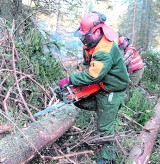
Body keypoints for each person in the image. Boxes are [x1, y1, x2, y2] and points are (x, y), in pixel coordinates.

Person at [58, 12, 129, 164]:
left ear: (97, 31)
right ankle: (104, 110)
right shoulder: (92, 42)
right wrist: (75, 89)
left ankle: (108, 158)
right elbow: (89, 66)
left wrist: (70, 80)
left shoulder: (104, 49)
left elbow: (92, 74)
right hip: (101, 82)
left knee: (104, 126)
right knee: (77, 100)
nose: (83, 39)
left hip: (112, 88)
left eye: (86, 35)